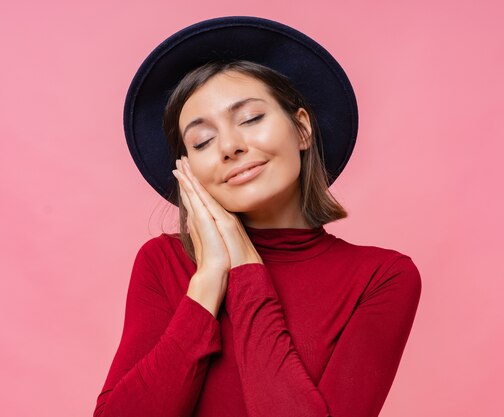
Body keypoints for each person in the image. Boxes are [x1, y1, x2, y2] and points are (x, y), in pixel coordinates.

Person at [93, 16, 422, 417]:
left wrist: (247, 273)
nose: (229, 146)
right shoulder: (162, 263)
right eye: (202, 140)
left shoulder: (382, 276)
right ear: (189, 169)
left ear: (302, 129)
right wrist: (208, 279)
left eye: (250, 118)